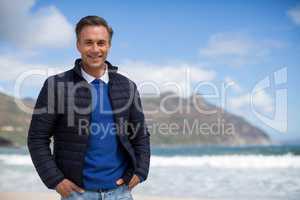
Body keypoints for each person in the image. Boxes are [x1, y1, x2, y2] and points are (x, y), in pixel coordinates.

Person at [27, 15, 150, 200]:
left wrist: (140, 172)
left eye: (101, 43)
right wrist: (56, 180)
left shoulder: (128, 86)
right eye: (88, 43)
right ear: (78, 45)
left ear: (108, 46)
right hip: (77, 194)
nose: (95, 49)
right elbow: (37, 138)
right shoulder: (56, 85)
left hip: (120, 193)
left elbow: (140, 135)